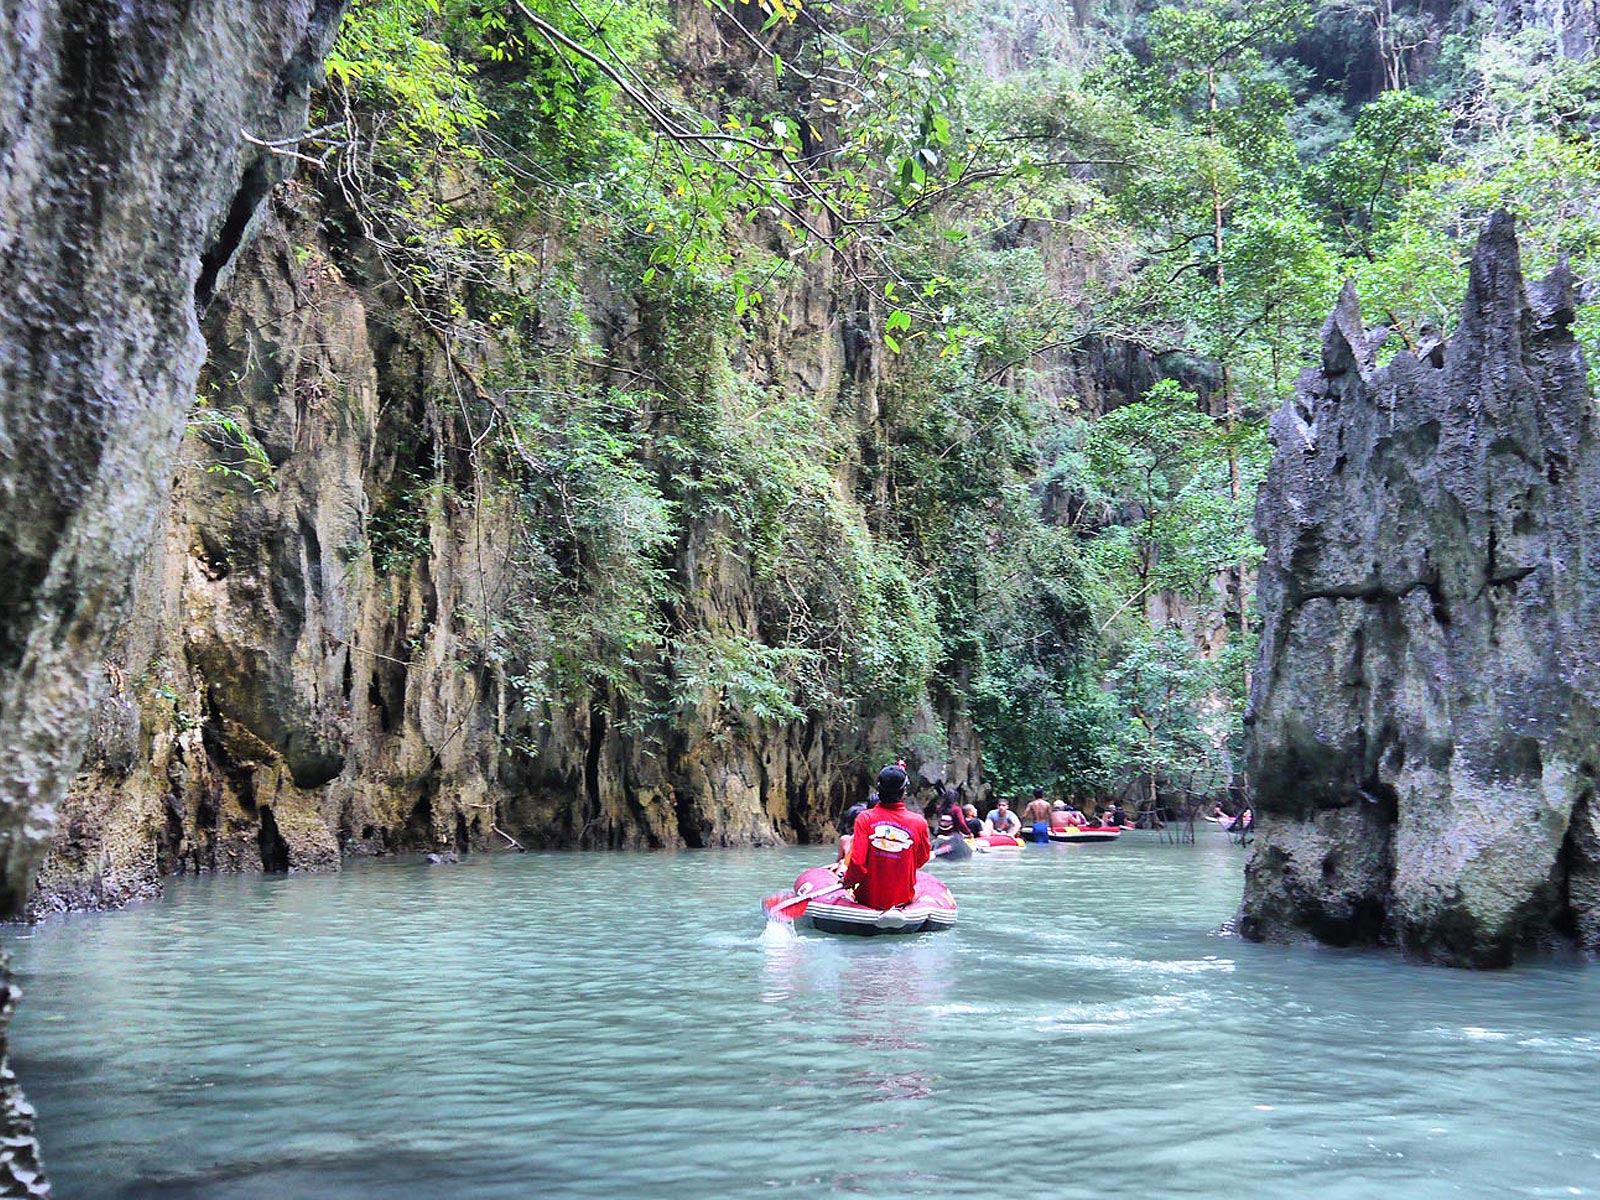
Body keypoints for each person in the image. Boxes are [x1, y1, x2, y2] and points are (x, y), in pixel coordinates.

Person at [841, 764, 932, 909]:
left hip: (868, 900)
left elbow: (857, 864)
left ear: (878, 789)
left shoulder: (865, 818)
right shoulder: (919, 822)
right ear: (904, 791)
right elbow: (922, 859)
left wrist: (847, 882)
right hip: (902, 900)